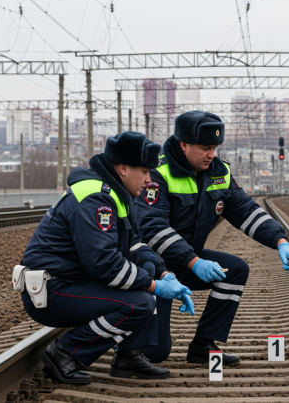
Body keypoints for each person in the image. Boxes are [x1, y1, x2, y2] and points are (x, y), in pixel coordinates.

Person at [17, 132, 195, 384]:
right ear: (123, 168)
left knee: (145, 269)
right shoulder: (95, 199)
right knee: (139, 303)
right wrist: (155, 287)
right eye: (144, 172)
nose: (148, 179)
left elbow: (134, 244)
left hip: (70, 282)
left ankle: (128, 356)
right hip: (51, 290)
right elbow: (105, 264)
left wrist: (165, 274)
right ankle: (65, 353)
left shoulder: (117, 194)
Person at [135, 111, 289, 367]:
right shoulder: (158, 174)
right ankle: (124, 340)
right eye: (205, 148)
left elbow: (245, 211)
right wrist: (194, 262)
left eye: (214, 147)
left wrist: (281, 241)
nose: (211, 154)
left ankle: (204, 345)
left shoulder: (219, 173)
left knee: (235, 270)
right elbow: (153, 229)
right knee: (154, 353)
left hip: (186, 261)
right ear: (183, 145)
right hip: (153, 269)